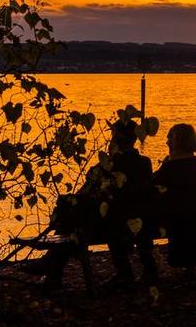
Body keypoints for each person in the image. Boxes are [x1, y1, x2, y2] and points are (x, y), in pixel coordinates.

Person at [28, 119, 156, 289]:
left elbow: (85, 193)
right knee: (73, 218)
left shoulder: (106, 165)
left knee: (72, 215)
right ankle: (51, 267)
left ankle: (52, 269)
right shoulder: (145, 163)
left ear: (114, 139)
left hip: (111, 224)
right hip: (135, 220)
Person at [153, 123, 196, 268]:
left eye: (170, 138)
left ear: (179, 142)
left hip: (178, 221)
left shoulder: (169, 167)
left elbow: (152, 185)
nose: (167, 142)